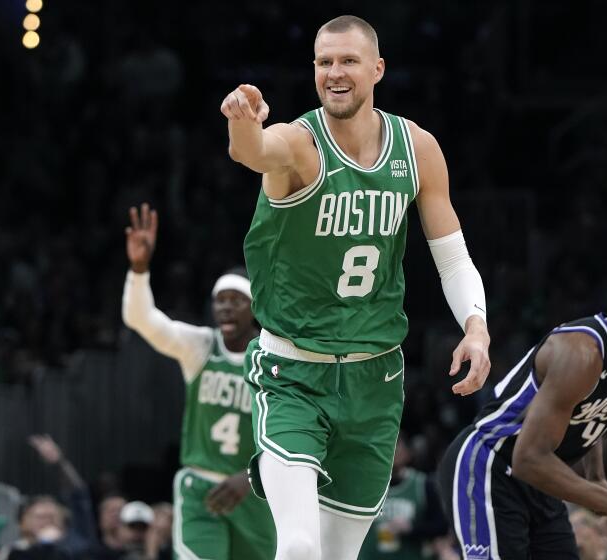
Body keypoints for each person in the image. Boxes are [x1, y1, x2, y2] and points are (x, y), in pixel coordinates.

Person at [220, 14, 491, 560]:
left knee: (337, 556)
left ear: (377, 69)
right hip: (292, 375)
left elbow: (452, 254)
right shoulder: (300, 144)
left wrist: (476, 326)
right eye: (324, 62)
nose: (334, 73)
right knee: (298, 546)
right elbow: (252, 152)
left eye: (347, 61)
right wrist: (242, 121)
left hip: (375, 380)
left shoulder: (417, 149)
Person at [437, 249, 607, 559]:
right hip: (490, 462)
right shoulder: (581, 353)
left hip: (541, 479)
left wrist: (596, 477)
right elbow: (527, 458)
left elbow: (592, 413)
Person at [121, 204, 275, 560]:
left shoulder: (271, 359)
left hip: (255, 488)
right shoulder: (201, 347)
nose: (224, 308)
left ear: (254, 308)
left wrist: (251, 476)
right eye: (219, 301)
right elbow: (142, 320)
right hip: (201, 489)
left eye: (235, 301)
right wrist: (140, 269)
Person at [359, 432, 450, 559]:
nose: (392, 452)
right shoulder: (366, 485)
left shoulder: (423, 484)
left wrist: (411, 529)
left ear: (408, 453)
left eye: (396, 446)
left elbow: (442, 526)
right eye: (386, 447)